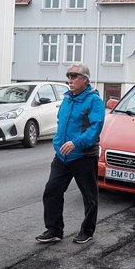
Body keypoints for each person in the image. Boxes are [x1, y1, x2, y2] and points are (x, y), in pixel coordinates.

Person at [36, 63, 105, 244]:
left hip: (83, 155)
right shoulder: (67, 99)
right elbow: (61, 123)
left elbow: (94, 129)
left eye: (74, 76)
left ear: (85, 79)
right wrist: (57, 143)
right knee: (51, 190)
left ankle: (87, 231)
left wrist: (75, 143)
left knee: (89, 196)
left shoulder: (94, 101)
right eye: (68, 75)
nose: (70, 79)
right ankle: (54, 230)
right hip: (62, 156)